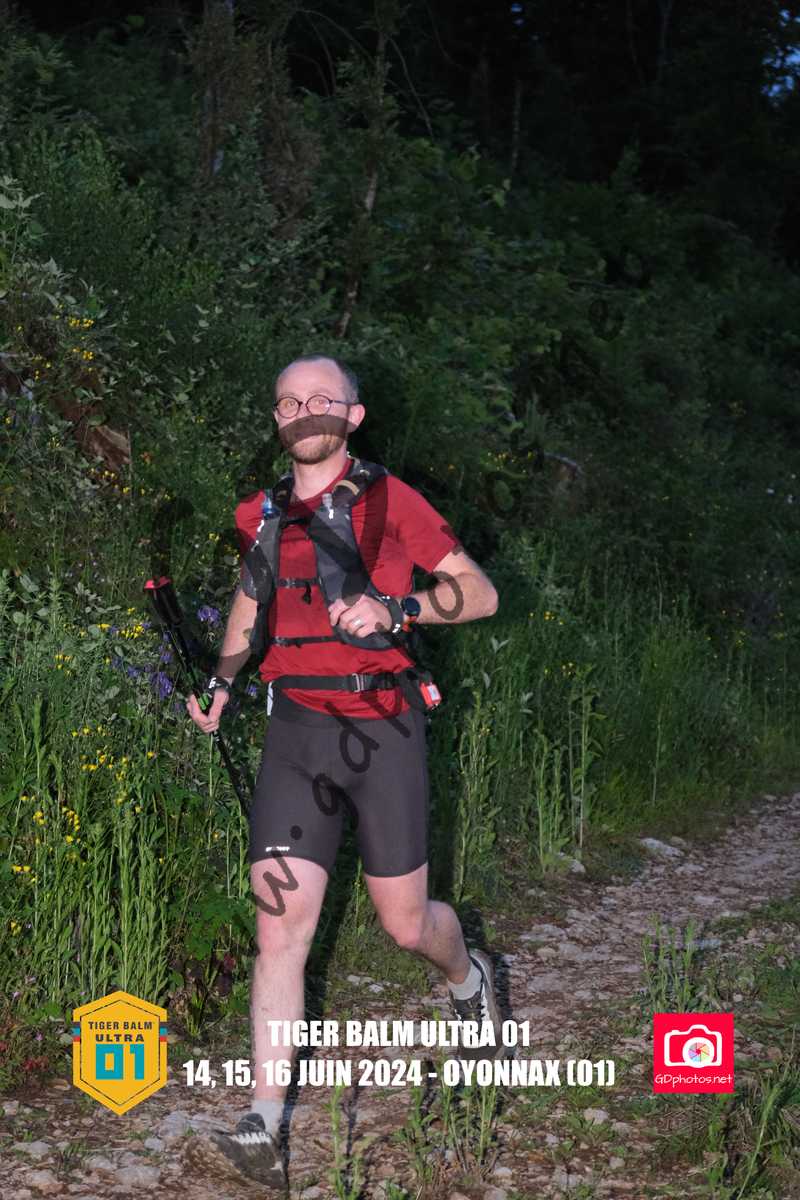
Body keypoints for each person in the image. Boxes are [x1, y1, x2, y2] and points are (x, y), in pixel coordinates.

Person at [185, 354, 502, 1193]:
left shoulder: (393, 501)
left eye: (322, 399)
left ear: (353, 416)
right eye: (290, 402)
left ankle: (468, 976)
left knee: (406, 925)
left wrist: (399, 608)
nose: (305, 411)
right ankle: (263, 1126)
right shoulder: (259, 512)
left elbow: (479, 593)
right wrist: (222, 682)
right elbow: (251, 601)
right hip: (296, 732)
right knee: (278, 930)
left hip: (384, 725)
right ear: (277, 418)